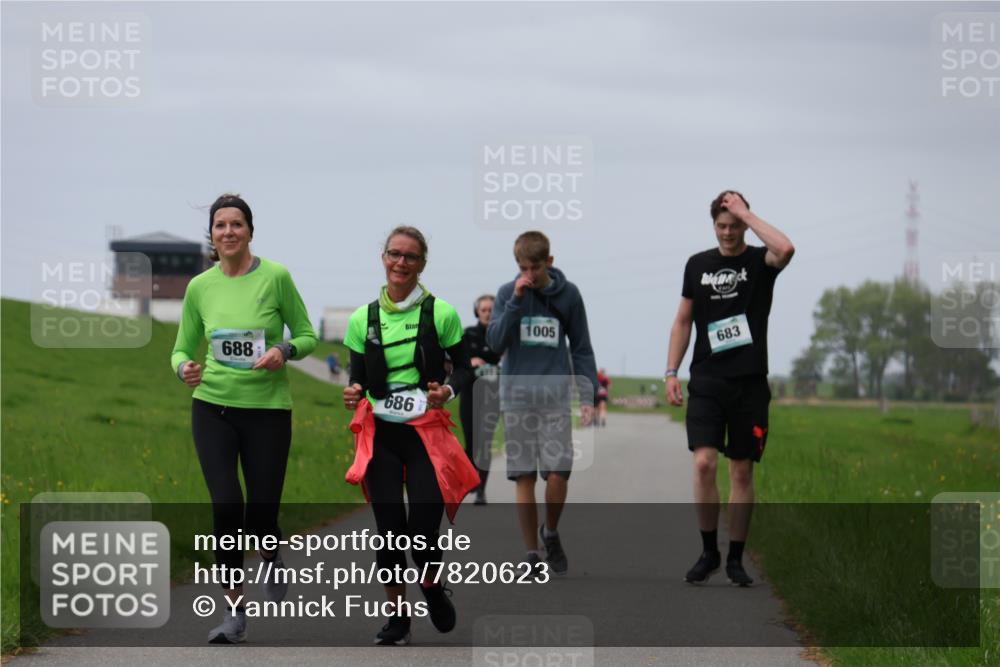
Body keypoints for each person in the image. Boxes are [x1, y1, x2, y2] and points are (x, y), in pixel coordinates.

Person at [170, 193, 318, 643]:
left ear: (250, 231)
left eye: (237, 224)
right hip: (212, 407)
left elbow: (308, 335)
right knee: (226, 505)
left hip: (268, 412)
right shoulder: (200, 287)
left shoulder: (276, 277)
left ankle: (271, 554)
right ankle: (234, 613)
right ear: (211, 235)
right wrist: (183, 368)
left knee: (260, 514)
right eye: (220, 225)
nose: (228, 232)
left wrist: (283, 350)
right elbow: (181, 347)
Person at [342, 226, 481, 646]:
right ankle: (398, 618)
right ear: (383, 258)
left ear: (422, 264)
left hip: (426, 436)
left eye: (411, 257)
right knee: (388, 532)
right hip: (381, 434)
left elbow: (464, 369)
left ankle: (433, 589)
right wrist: (352, 391)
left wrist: (447, 390)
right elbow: (358, 378)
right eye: (394, 254)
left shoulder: (441, 314)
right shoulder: (361, 319)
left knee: (422, 532)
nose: (401, 263)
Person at [664, 190, 794, 587]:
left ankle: (736, 557)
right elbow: (683, 320)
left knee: (741, 471)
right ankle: (709, 551)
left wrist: (747, 214)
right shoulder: (698, 264)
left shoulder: (760, 262)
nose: (727, 232)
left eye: (734, 225)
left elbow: (785, 248)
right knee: (703, 463)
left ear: (744, 223)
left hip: (749, 383)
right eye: (721, 225)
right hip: (706, 379)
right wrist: (671, 371)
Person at [487, 231, 598, 576]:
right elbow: (494, 343)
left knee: (557, 474)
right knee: (523, 477)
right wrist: (515, 302)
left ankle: (550, 531)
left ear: (549, 262)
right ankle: (531, 553)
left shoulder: (569, 295)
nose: (529, 274)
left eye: (535, 267)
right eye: (522, 267)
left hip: (555, 399)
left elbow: (581, 348)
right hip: (517, 398)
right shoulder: (508, 293)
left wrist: (588, 394)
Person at [461, 294, 503, 505]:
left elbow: (505, 361)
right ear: (477, 312)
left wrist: (493, 365)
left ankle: (481, 490)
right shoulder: (468, 334)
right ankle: (470, 479)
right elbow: (458, 360)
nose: (487, 313)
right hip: (470, 395)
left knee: (485, 443)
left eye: (491, 310)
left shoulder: (500, 336)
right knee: (471, 444)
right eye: (484, 310)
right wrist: (470, 360)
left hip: (492, 397)